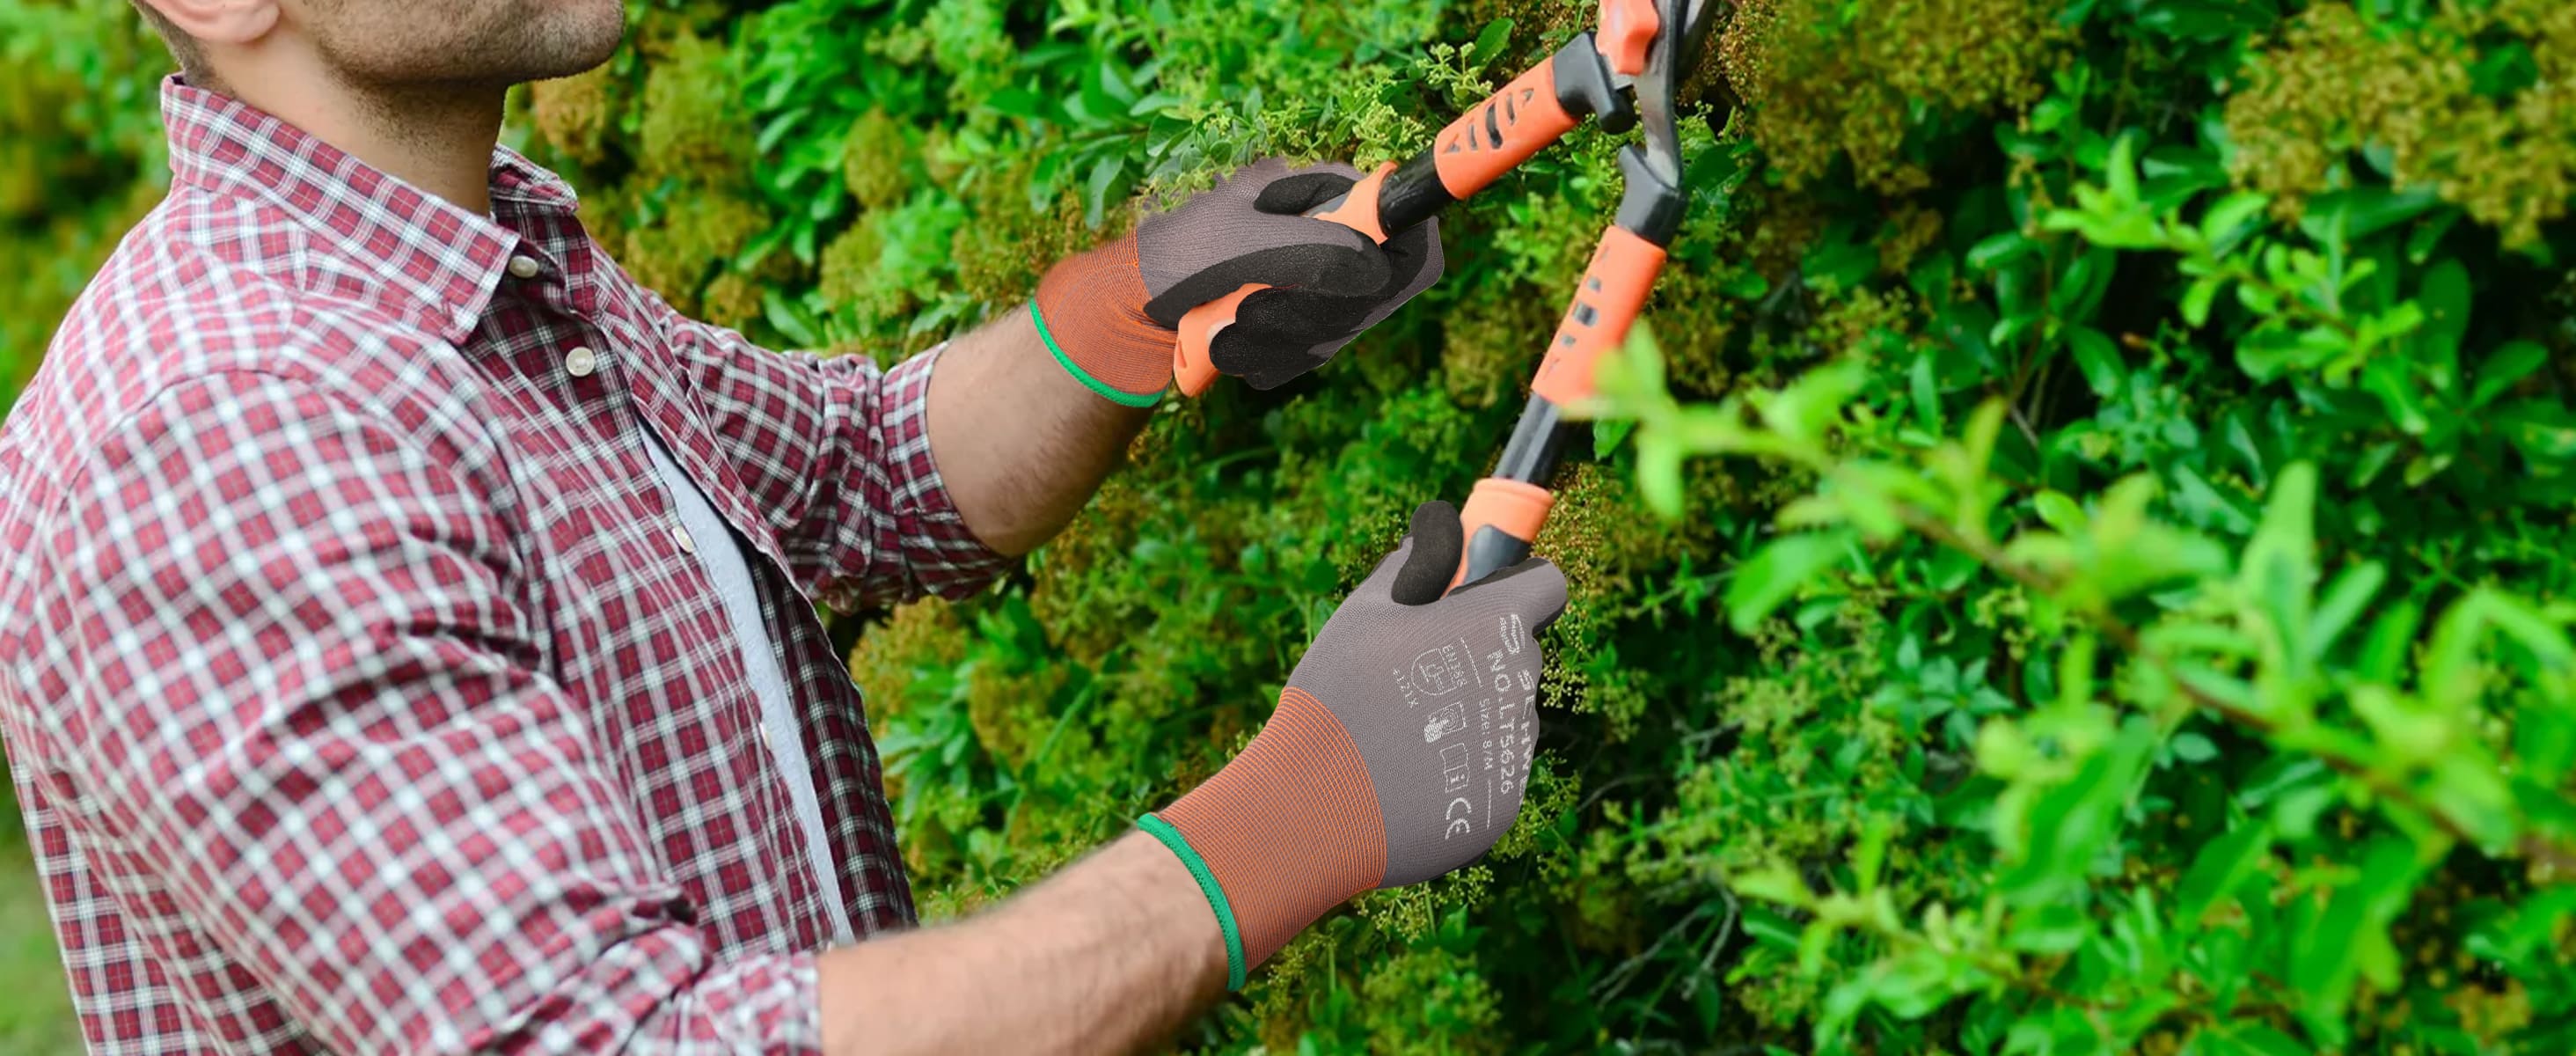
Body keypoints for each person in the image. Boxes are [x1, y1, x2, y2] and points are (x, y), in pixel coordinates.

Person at [0, 0, 1570, 1051]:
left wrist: (1117, 316)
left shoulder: (474, 270)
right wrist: (1295, 818)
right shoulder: (234, 432)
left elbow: (849, 472)